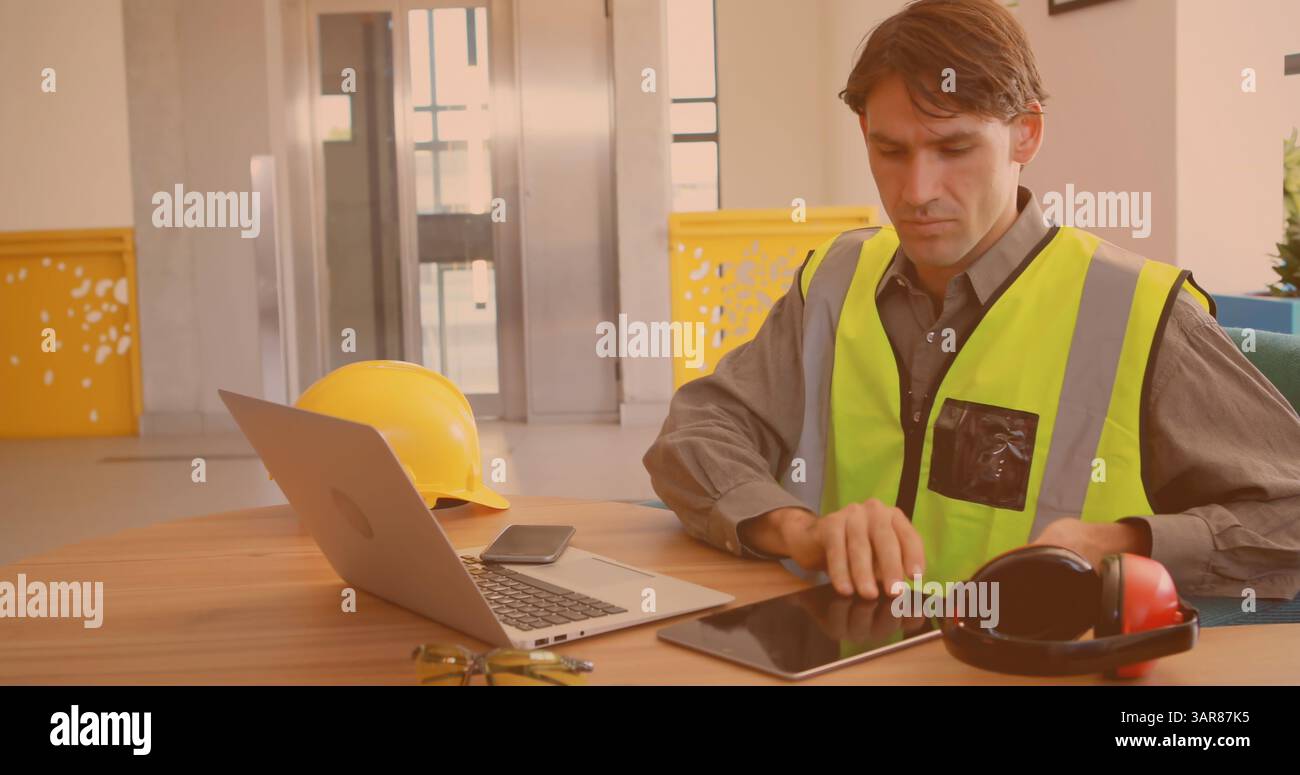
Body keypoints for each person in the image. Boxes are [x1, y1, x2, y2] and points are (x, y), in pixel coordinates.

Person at [643, 0, 1300, 601]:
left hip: (1036, 672)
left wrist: (1121, 544)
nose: (916, 189)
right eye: (889, 150)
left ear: (1026, 135)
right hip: (842, 663)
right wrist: (798, 531)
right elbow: (695, 434)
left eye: (953, 147)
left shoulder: (1139, 310)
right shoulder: (835, 278)